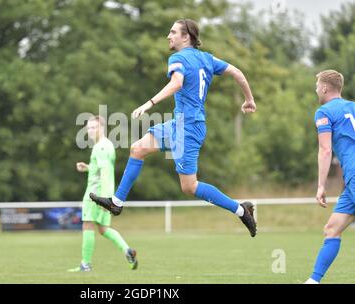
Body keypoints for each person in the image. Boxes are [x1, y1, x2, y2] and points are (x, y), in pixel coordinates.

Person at [90, 19, 257, 237]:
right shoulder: (207, 58)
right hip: (178, 124)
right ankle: (117, 202)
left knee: (189, 187)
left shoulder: (177, 58)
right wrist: (249, 99)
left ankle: (240, 209)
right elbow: (238, 74)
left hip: (188, 128)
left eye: (173, 32)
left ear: (186, 36)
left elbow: (177, 83)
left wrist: (149, 103)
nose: (168, 36)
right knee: (137, 148)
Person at [304, 70, 355, 284]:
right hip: (351, 182)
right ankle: (313, 281)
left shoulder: (323, 111)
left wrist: (320, 186)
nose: (316, 89)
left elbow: (325, 151)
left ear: (325, 88)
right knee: (332, 229)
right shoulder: (352, 106)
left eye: (317, 85)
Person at [69, 116, 137, 272]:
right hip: (103, 192)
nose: (90, 131)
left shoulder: (100, 147)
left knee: (87, 224)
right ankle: (127, 250)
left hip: (95, 194)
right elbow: (101, 169)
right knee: (103, 228)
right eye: (88, 128)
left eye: (93, 127)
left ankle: (85, 265)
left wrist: (104, 201)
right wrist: (88, 167)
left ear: (101, 128)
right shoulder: (107, 145)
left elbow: (105, 173)